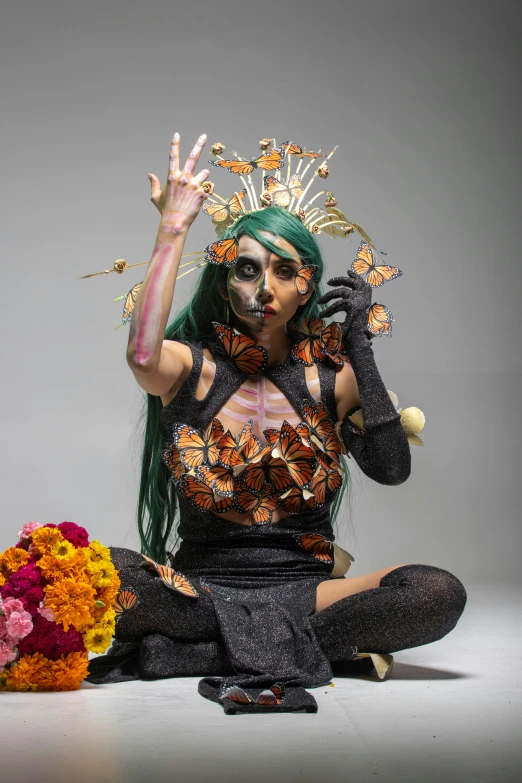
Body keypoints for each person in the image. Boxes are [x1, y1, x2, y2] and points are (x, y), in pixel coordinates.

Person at [86, 132, 467, 714]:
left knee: (436, 592)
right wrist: (172, 231)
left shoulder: (329, 378)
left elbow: (392, 471)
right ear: (223, 277)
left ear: (306, 283)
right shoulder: (194, 367)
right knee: (99, 574)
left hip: (309, 591)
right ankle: (288, 651)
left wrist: (360, 349)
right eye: (246, 269)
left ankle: (195, 655)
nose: (264, 288)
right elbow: (142, 355)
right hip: (200, 589)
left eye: (283, 271)